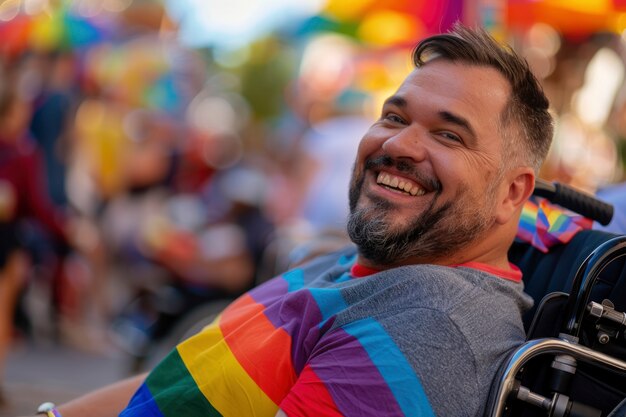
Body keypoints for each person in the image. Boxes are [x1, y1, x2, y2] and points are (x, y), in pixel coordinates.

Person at [24, 23, 554, 417]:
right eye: (394, 117)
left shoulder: (432, 327)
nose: (397, 144)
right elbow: (178, 380)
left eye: (448, 135)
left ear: (511, 193)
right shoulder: (362, 264)